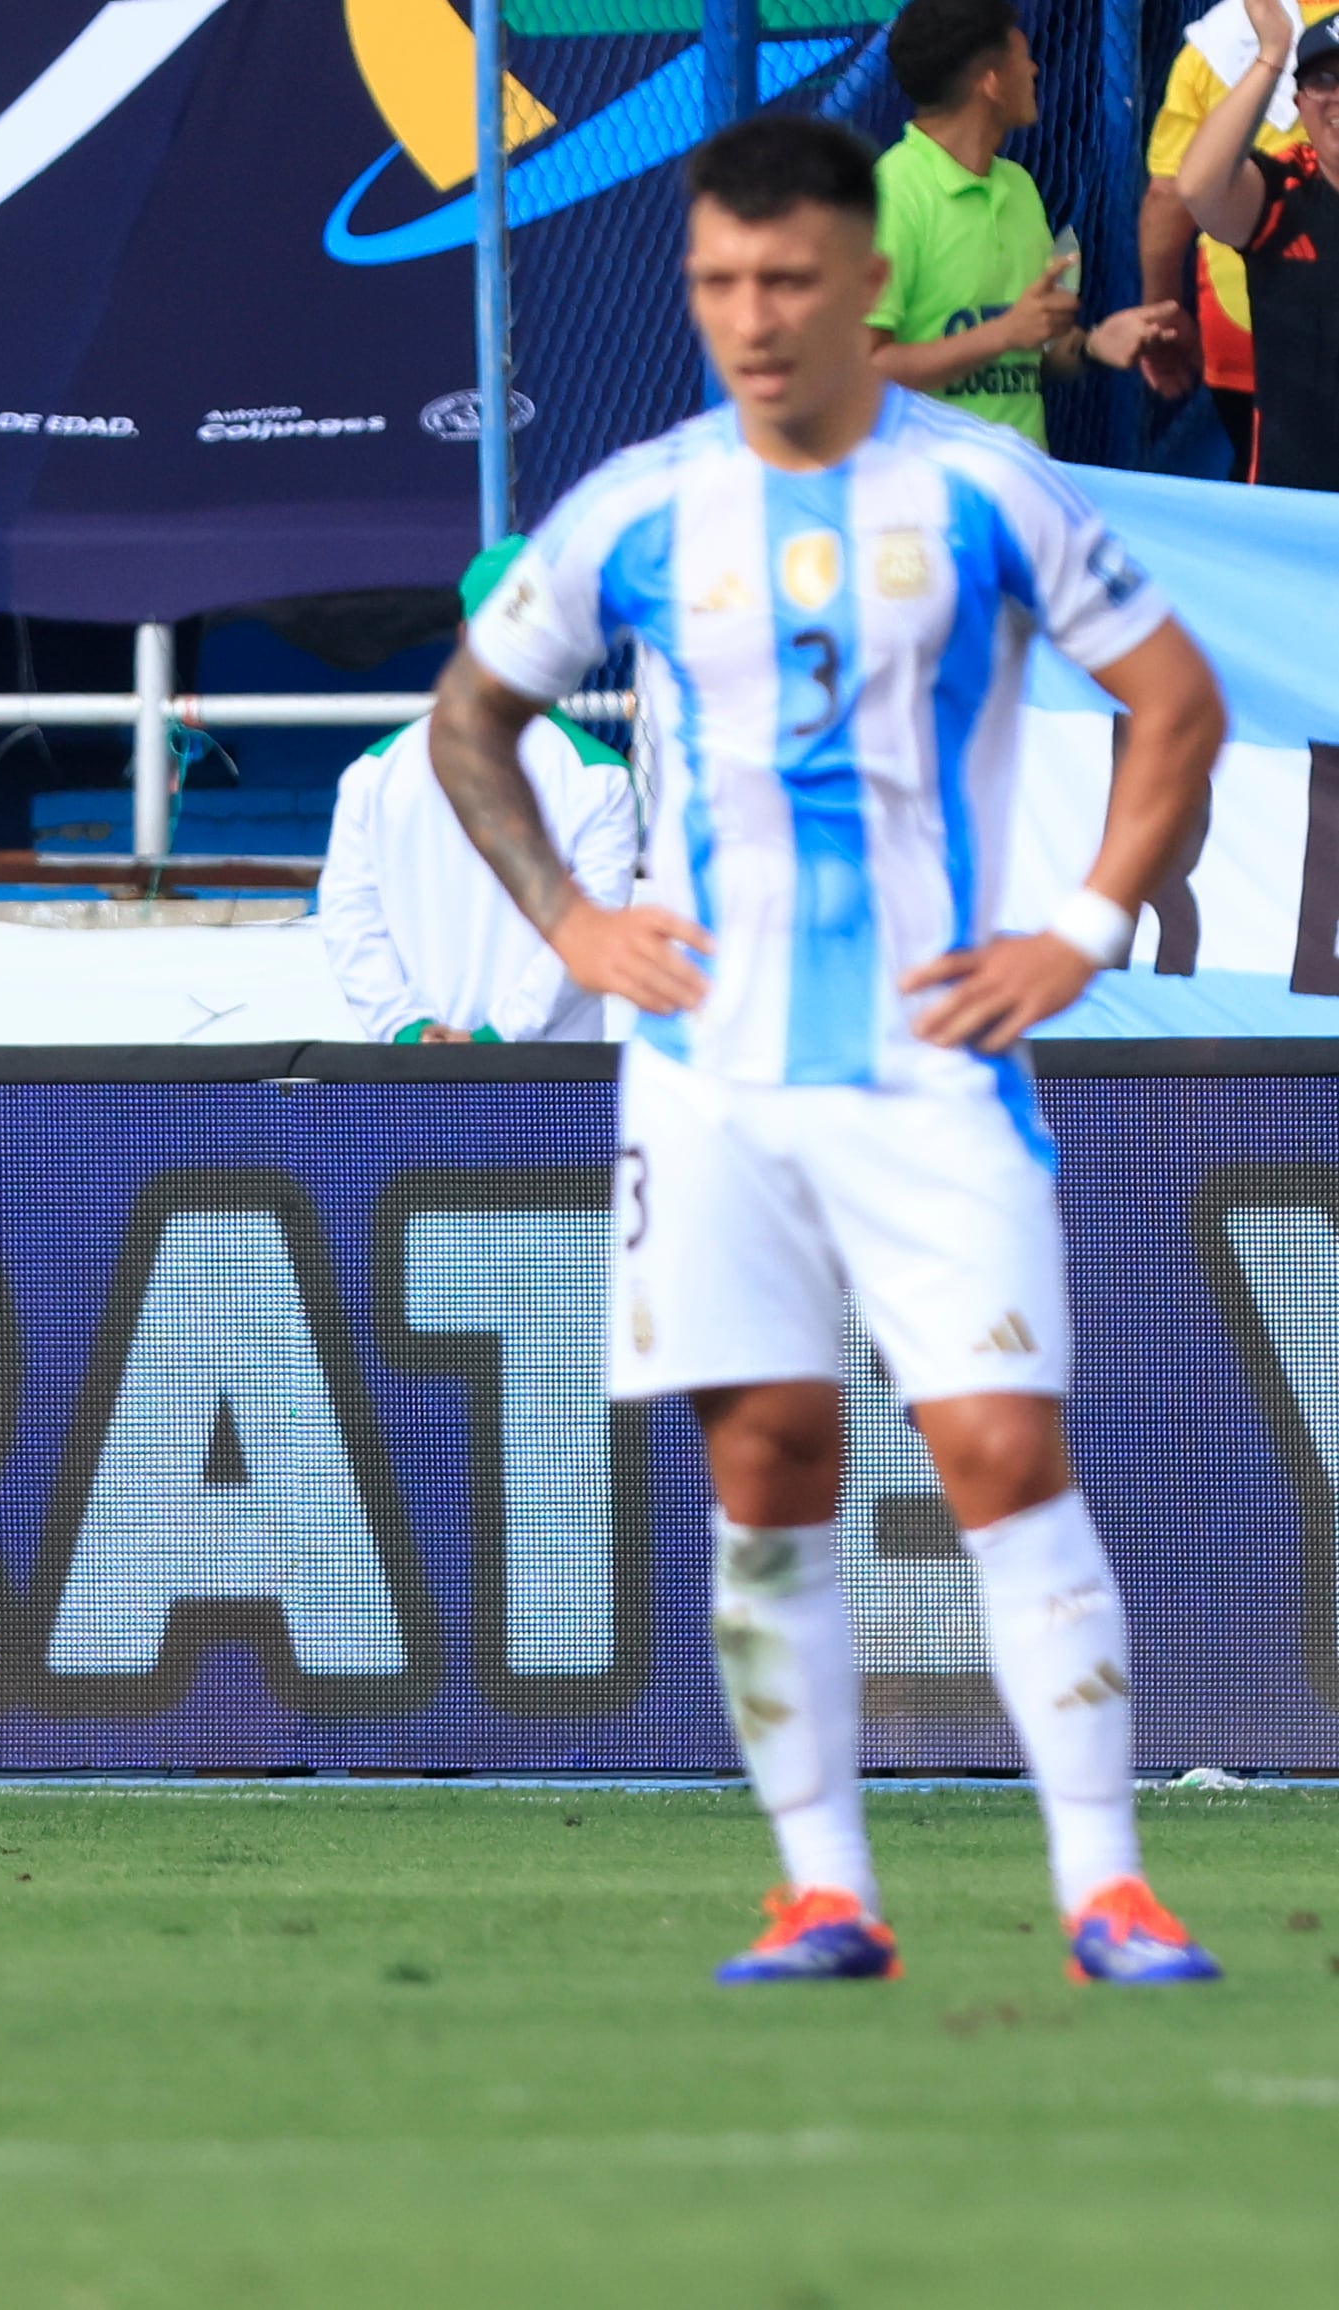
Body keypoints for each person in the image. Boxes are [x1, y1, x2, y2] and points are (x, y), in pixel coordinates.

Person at [428, 116, 1230, 1983]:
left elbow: (1173, 703)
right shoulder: (637, 505)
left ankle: (1107, 1887)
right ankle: (824, 1891)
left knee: (998, 1453)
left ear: (869, 280)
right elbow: (473, 723)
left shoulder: (985, 498)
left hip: (934, 1063)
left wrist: (1088, 929)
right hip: (707, 1078)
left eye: (787, 279)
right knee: (770, 1463)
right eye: (718, 283)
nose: (753, 319)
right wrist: (566, 922)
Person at [318, 538, 637, 1045]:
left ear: (465, 633)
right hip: (554, 1086)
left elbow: (348, 919)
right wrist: (494, 1040)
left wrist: (407, 1031)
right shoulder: (599, 776)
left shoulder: (375, 772)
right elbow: (589, 931)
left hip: (416, 1077)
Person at [866, 0, 1186, 444]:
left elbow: (1030, 350)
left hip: (1022, 488)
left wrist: (1092, 344)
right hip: (927, 496)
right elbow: (862, 372)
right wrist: (1002, 334)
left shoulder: (1019, 188)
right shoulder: (890, 195)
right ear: (992, 82)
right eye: (1022, 56)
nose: (1034, 70)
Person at [1145, 0, 1339, 476]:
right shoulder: (1284, 197)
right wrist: (1271, 55)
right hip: (1297, 504)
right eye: (1322, 81)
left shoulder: (1215, 38)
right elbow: (1190, 188)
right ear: (1298, 104)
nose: (1337, 97)